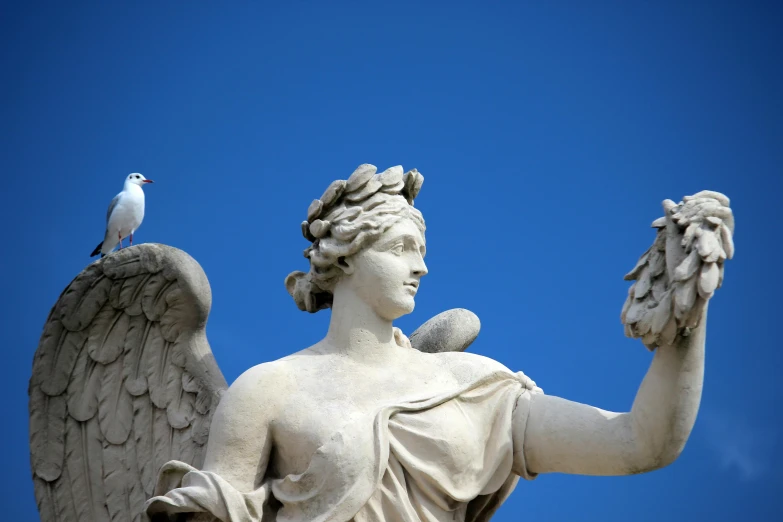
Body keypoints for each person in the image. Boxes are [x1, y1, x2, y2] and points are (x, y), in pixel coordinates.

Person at [145, 164, 715, 522]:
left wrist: (686, 310)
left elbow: (642, 442)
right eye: (400, 248)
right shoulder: (269, 389)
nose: (420, 267)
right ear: (344, 255)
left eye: (421, 250)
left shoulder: (471, 385)